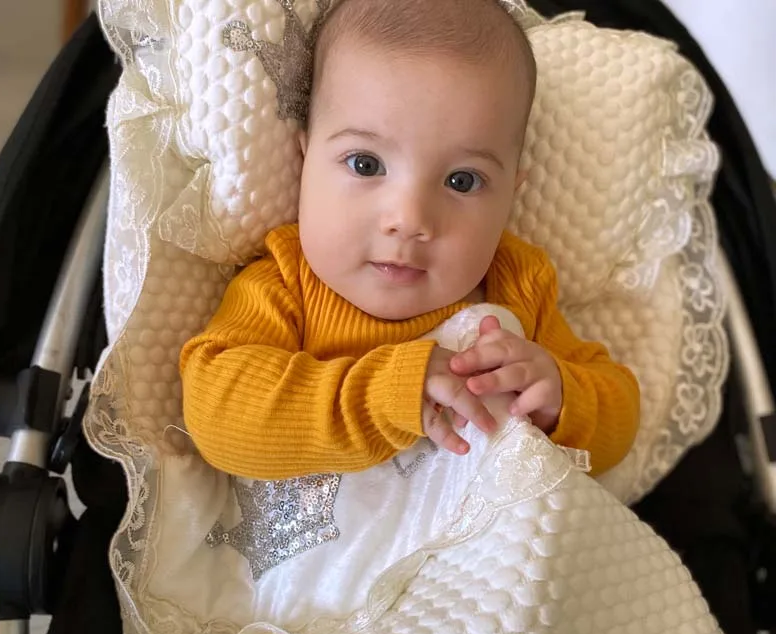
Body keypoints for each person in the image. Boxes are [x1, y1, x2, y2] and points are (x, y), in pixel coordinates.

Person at [180, 0, 640, 481]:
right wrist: (385, 397)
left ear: (510, 196)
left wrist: (560, 397)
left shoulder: (517, 285)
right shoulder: (287, 284)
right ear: (305, 160)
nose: (409, 219)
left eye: (462, 181)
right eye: (365, 164)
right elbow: (215, 411)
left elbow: (620, 412)